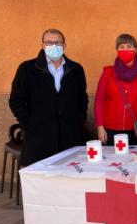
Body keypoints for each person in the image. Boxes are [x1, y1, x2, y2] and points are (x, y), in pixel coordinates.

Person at [9, 29, 88, 166]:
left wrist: (78, 121)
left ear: (64, 45)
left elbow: (82, 98)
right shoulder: (27, 69)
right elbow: (16, 100)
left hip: (70, 138)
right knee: (40, 182)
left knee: (69, 181)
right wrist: (29, 124)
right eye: (49, 43)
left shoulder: (76, 69)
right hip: (39, 139)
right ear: (42, 45)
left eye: (58, 42)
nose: (54, 46)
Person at [94, 33, 137, 145]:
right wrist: (100, 127)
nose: (125, 49)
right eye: (121, 47)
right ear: (117, 50)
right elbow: (99, 101)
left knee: (135, 160)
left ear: (136, 49)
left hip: (136, 129)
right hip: (111, 129)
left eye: (129, 46)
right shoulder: (108, 72)